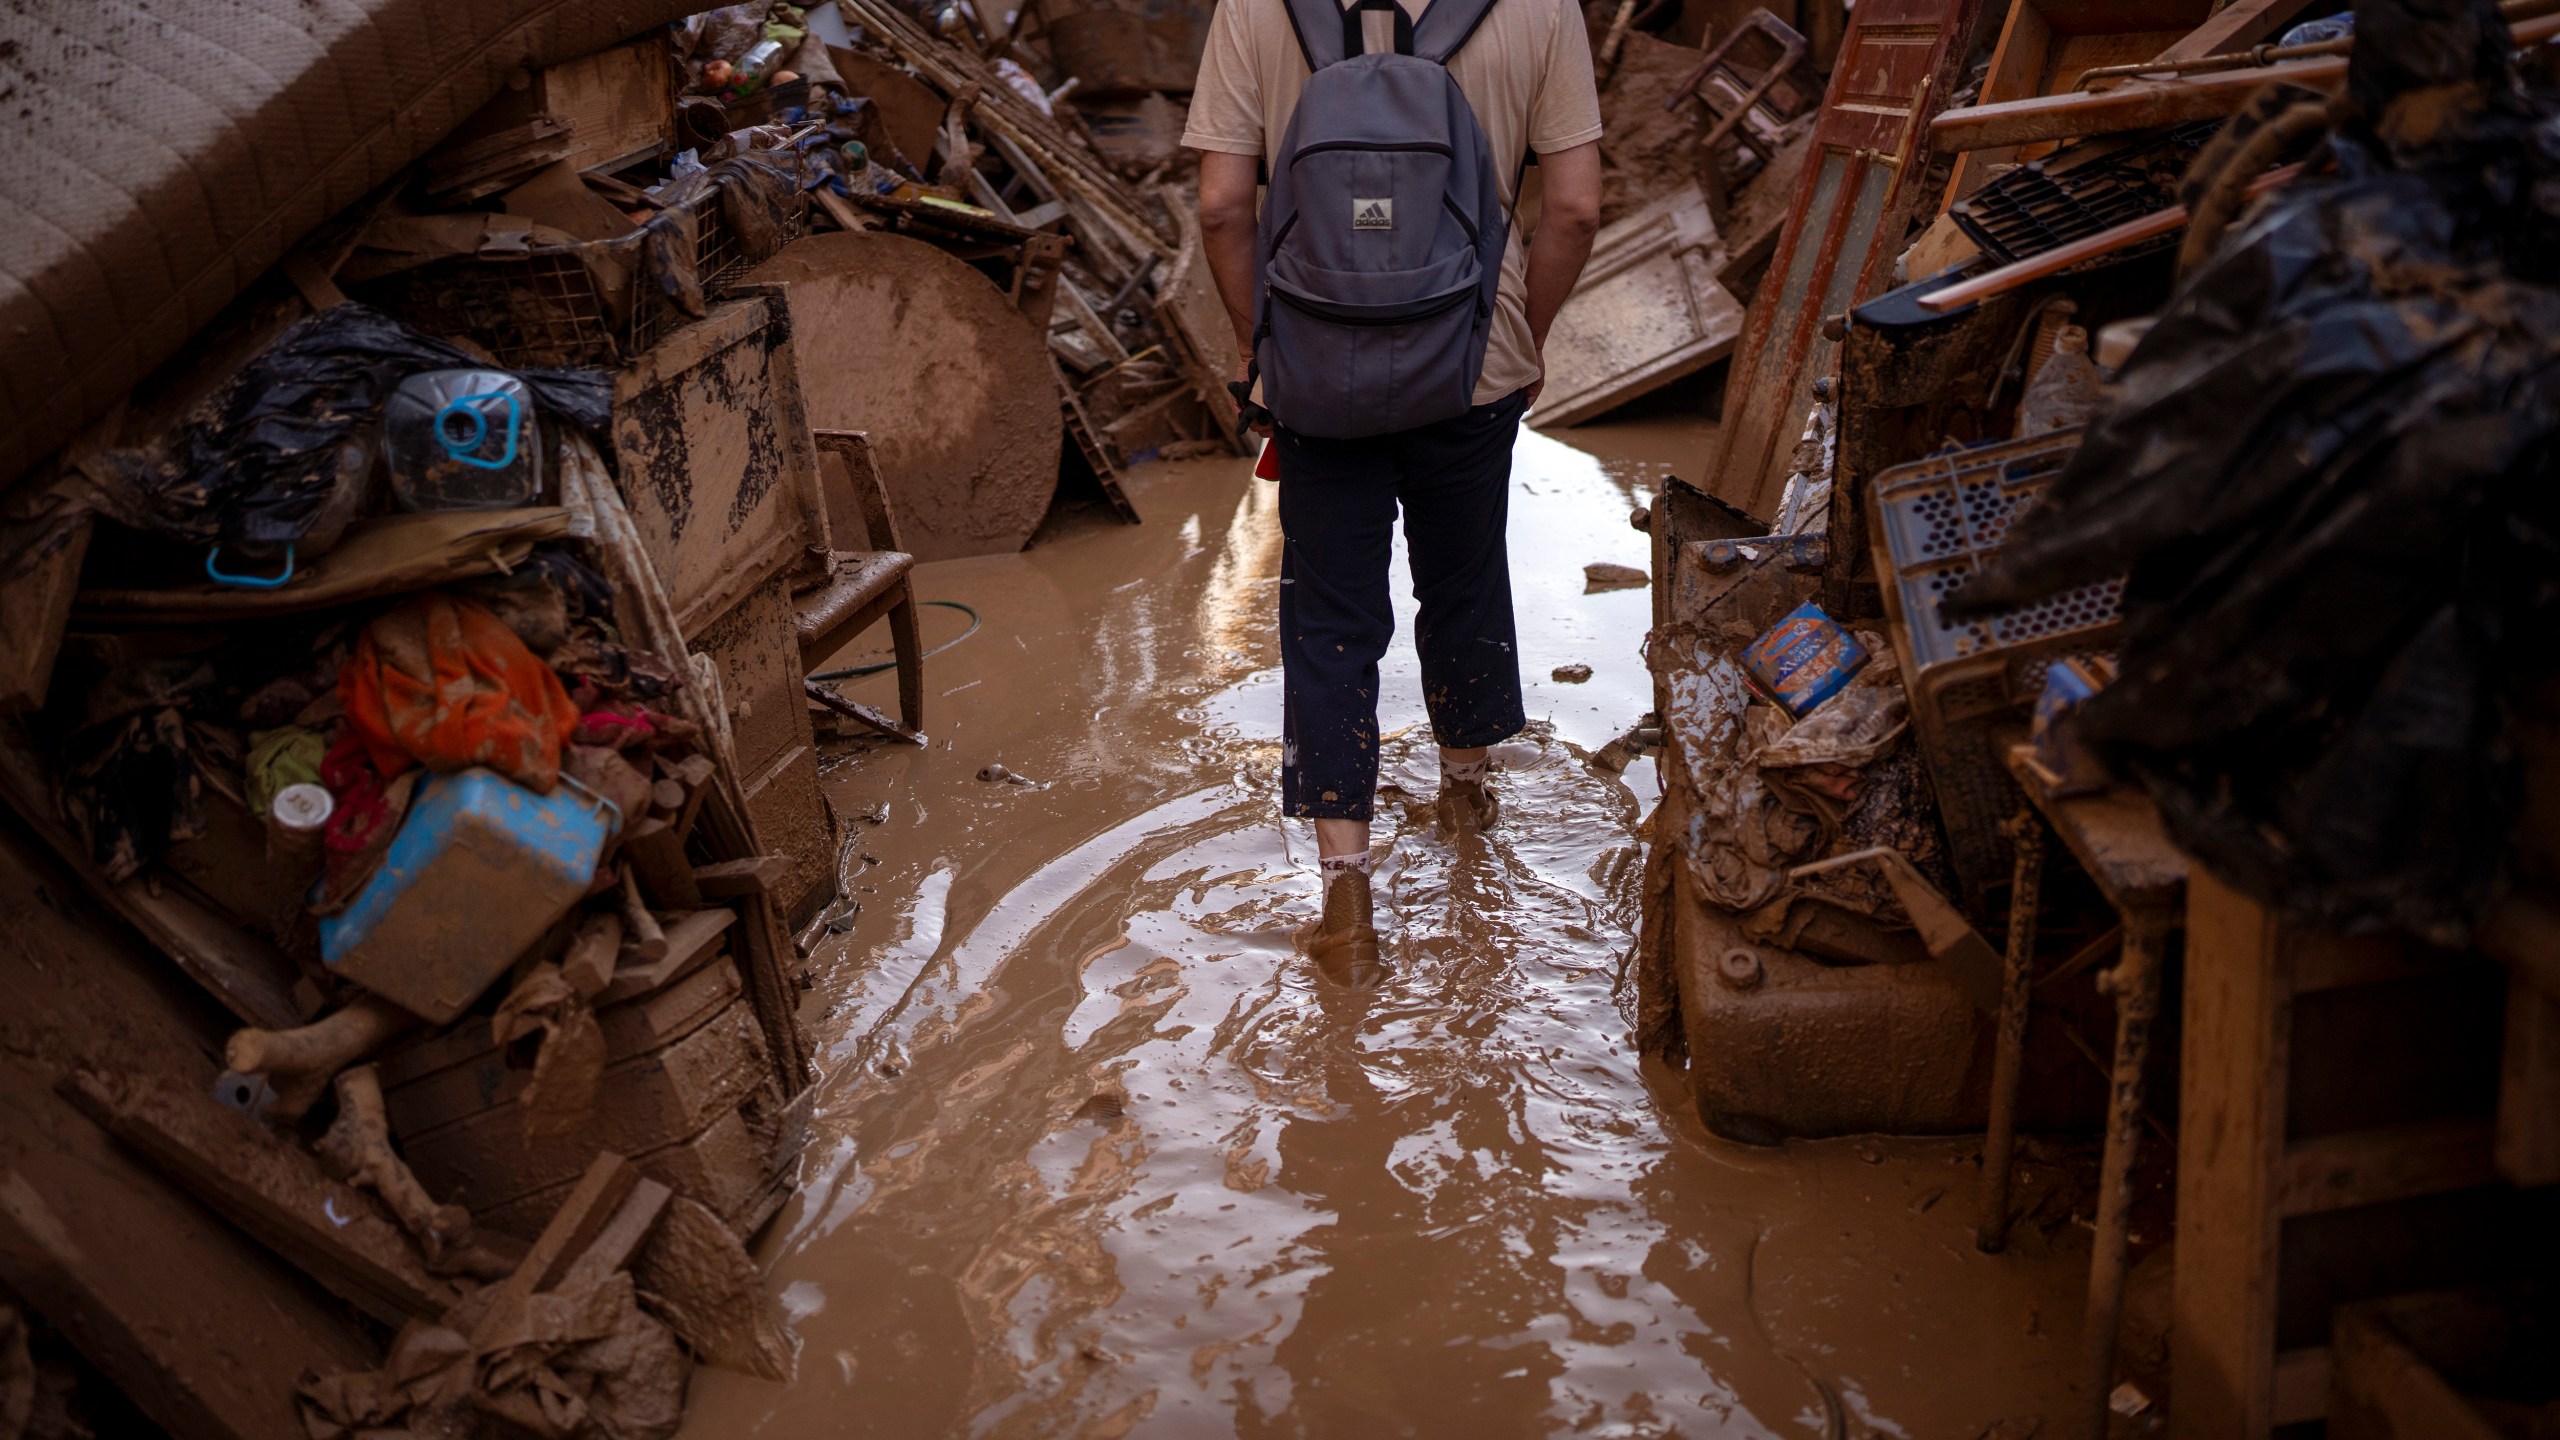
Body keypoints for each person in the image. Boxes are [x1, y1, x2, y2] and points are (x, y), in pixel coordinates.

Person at [1183, 0, 1604, 978]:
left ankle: (1347, 896)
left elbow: (1219, 206)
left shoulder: (1254, 7)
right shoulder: (1541, 8)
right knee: (1462, 581)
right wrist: (1520, 337)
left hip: (1315, 371)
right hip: (1472, 363)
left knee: (1330, 618)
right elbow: (1575, 208)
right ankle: (1468, 810)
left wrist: (1263, 349)